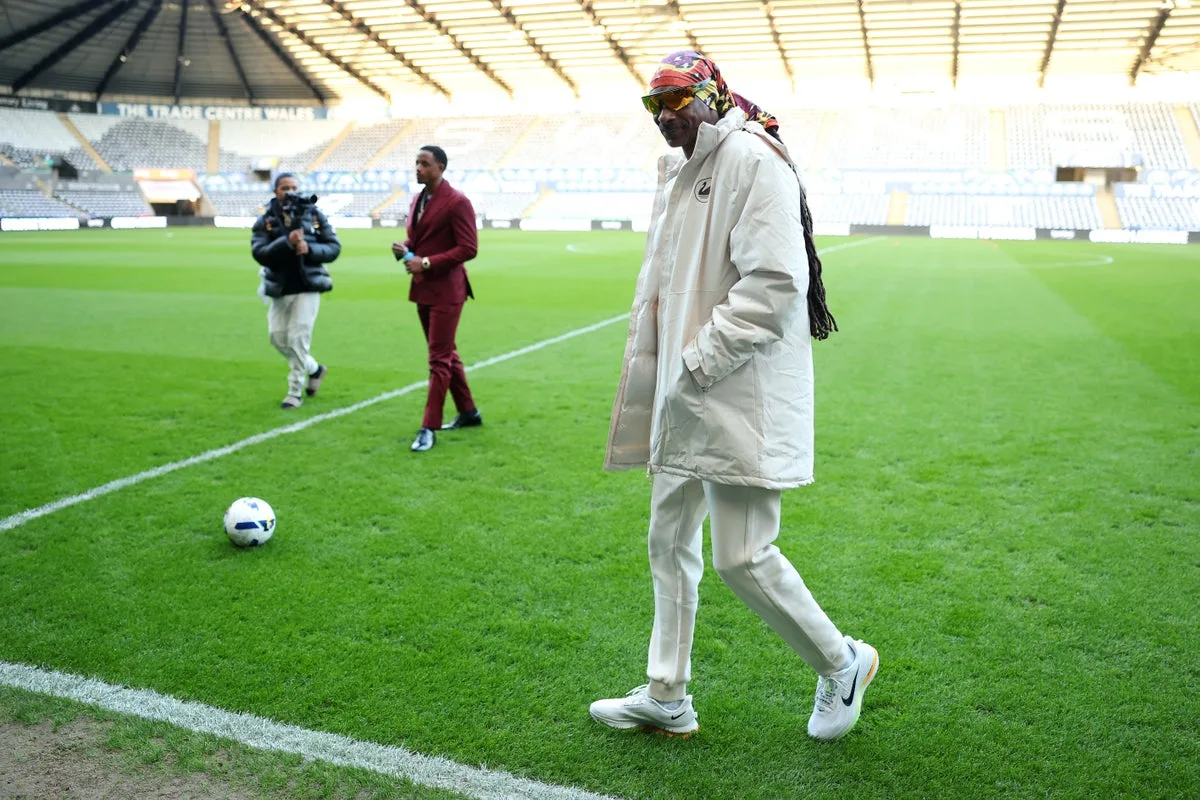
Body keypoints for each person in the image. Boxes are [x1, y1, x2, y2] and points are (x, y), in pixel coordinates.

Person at [590, 51, 876, 741]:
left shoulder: (752, 159)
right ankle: (667, 694)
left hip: (731, 391)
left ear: (713, 96)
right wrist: (673, 372)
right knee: (668, 540)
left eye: (676, 100)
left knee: (741, 555)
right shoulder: (683, 168)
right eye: (654, 105)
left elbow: (776, 284)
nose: (664, 117)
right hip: (684, 391)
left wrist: (695, 363)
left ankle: (843, 663)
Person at [390, 145, 482, 453]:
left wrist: (426, 262)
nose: (418, 168)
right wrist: (406, 247)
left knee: (438, 359)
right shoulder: (419, 199)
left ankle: (428, 427)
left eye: (424, 163)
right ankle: (469, 412)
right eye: (416, 162)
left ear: (440, 167)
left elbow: (468, 248)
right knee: (446, 353)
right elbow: (420, 238)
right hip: (423, 288)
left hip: (447, 291)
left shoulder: (457, 202)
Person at [251, 173, 340, 409]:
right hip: (279, 287)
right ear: (275, 191)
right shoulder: (266, 220)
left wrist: (309, 248)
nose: (290, 192)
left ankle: (294, 392)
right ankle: (315, 369)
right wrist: (287, 243)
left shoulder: (314, 214)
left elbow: (333, 247)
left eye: (293, 187)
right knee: (278, 338)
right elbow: (259, 253)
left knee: (298, 338)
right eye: (284, 188)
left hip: (308, 285)